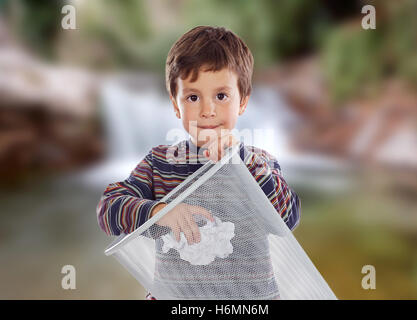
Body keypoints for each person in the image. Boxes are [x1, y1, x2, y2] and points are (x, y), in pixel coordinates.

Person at [96, 26, 301, 300]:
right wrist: (160, 211)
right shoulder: (159, 164)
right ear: (176, 104)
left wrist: (241, 160)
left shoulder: (259, 162)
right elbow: (108, 210)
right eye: (193, 97)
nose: (207, 111)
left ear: (243, 101)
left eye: (221, 96)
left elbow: (287, 219)